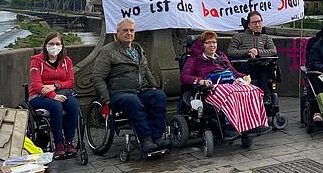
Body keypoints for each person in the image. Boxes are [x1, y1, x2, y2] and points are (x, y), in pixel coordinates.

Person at [92, 18, 169, 156]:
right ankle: (145, 139)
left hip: (138, 91)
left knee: (159, 96)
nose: (129, 33)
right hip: (118, 93)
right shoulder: (107, 51)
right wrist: (105, 100)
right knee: (132, 101)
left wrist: (155, 87)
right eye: (125, 30)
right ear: (117, 33)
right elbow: (98, 77)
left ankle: (157, 137)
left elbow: (146, 70)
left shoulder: (137, 49)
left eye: (131, 30)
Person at [180, 31, 271, 140]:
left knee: (254, 90)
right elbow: (184, 77)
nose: (212, 45)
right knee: (231, 94)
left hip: (229, 82)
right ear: (202, 45)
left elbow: (234, 72)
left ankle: (254, 124)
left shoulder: (221, 57)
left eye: (214, 42)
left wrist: (244, 77)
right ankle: (230, 127)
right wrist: (200, 81)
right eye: (208, 43)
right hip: (210, 89)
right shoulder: (194, 59)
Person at [28, 32, 79, 159]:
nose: (54, 46)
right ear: (45, 45)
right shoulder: (36, 61)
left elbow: (70, 81)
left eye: (57, 44)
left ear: (62, 46)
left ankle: (69, 142)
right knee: (56, 106)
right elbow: (36, 84)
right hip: (39, 96)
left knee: (73, 105)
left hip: (60, 92)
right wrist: (52, 95)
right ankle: (59, 144)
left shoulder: (66, 61)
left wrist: (56, 86)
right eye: (51, 44)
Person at [227, 11, 277, 94]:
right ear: (249, 25)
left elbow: (273, 51)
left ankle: (263, 96)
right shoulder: (238, 37)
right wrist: (248, 52)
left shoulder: (266, 38)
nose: (257, 25)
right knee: (243, 67)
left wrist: (258, 52)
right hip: (244, 66)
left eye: (259, 22)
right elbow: (230, 51)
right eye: (254, 22)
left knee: (265, 68)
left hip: (261, 65)